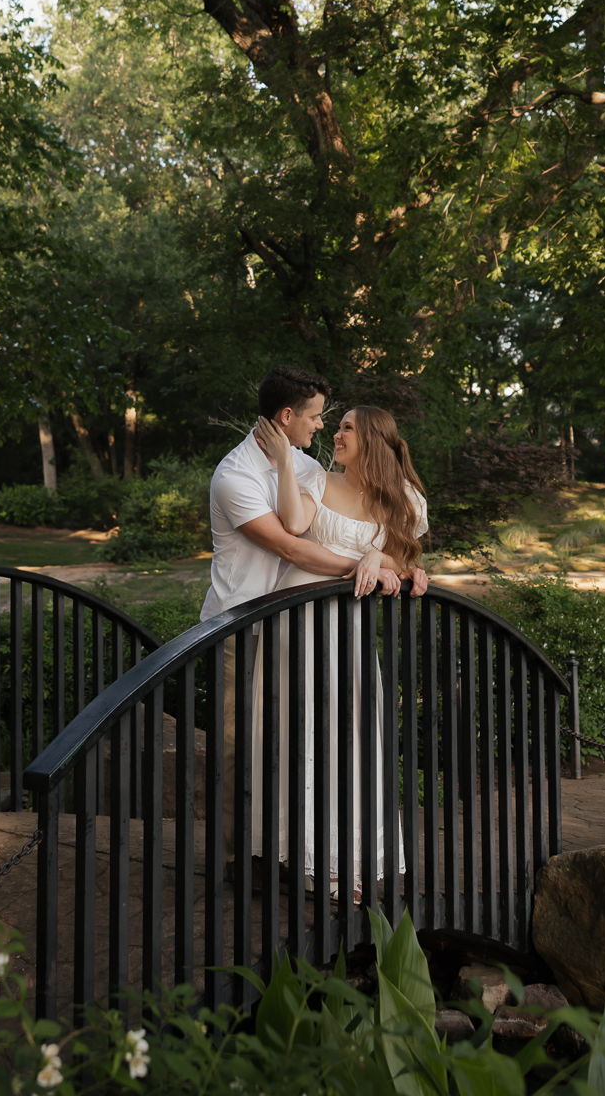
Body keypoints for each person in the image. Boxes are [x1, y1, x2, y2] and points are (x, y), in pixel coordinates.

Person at [202, 366, 398, 863]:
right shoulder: (234, 477)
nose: (322, 426)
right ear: (287, 416)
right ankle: (240, 859)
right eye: (315, 417)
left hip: (299, 624)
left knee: (296, 739)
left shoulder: (306, 465)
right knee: (238, 744)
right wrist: (365, 566)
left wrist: (385, 559)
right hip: (240, 623)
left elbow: (346, 522)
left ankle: (292, 850)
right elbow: (291, 548)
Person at [251, 403, 429, 898]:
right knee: (303, 732)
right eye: (338, 426)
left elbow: (402, 557)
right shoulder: (320, 480)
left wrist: (380, 556)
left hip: (351, 625)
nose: (337, 433)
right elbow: (293, 525)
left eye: (347, 427)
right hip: (299, 616)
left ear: (371, 437)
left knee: (353, 733)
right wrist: (286, 462)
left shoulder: (405, 499)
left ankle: (351, 858)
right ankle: (310, 858)